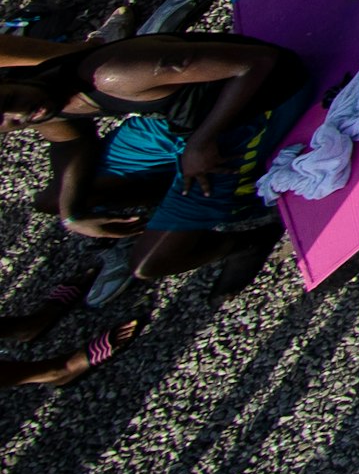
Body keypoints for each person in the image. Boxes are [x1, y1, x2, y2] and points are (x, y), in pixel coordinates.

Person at [0, 31, 310, 293]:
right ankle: (185, 196)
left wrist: (201, 142)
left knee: (150, 264)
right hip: (181, 121)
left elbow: (261, 62)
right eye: (12, 124)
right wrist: (72, 216)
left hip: (255, 106)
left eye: (9, 101)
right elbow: (69, 141)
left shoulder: (112, 74)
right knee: (55, 199)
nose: (25, 115)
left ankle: (247, 237)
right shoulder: (34, 97)